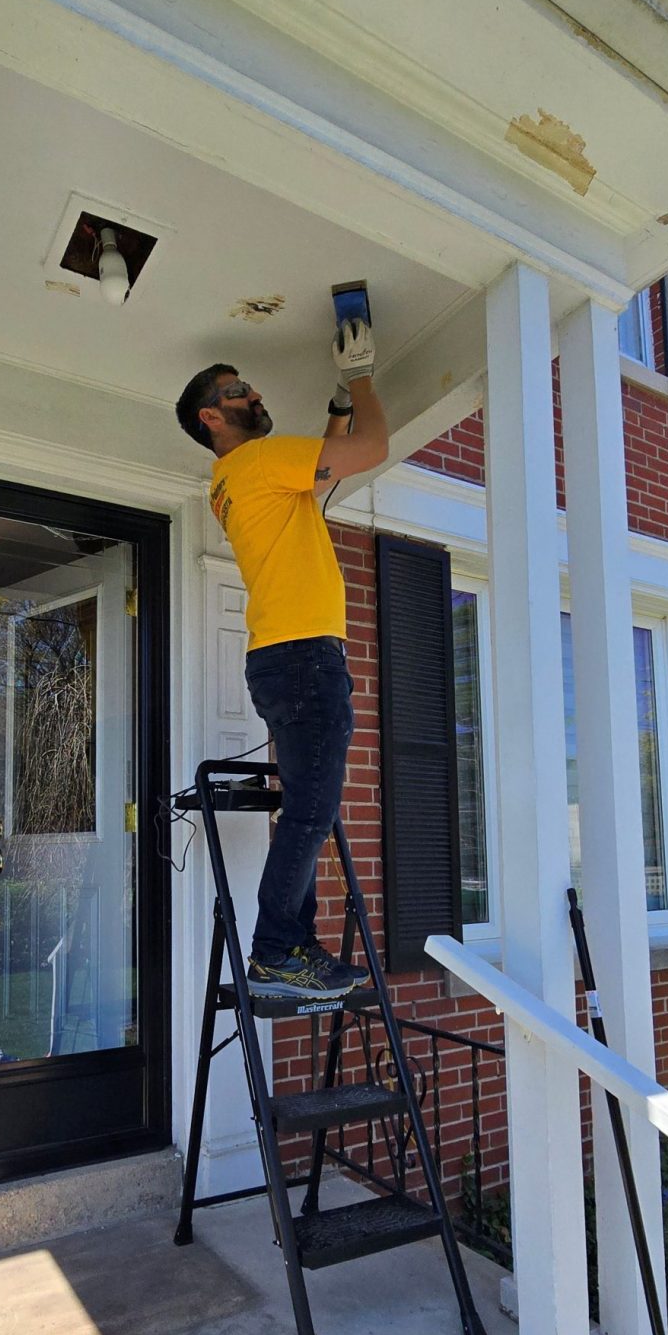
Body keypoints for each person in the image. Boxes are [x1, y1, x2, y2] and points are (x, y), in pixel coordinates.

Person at [176, 317, 389, 998]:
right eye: (239, 390)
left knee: (307, 808)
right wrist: (361, 375)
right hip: (302, 658)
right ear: (212, 415)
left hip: (285, 657)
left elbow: (317, 482)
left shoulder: (235, 478)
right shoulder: (261, 463)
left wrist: (334, 412)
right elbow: (374, 447)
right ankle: (276, 951)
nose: (254, 392)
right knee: (311, 810)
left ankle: (293, 948)